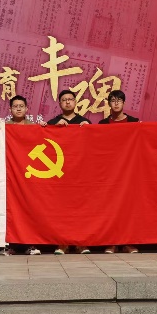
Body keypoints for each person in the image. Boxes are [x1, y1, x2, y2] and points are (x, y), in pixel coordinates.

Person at [0, 95, 41, 255]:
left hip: (30, 174)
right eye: (15, 106)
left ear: (27, 108)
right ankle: (10, 244)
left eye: (21, 106)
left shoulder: (33, 126)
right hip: (11, 176)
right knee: (11, 209)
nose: (18, 109)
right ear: (10, 109)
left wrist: (43, 129)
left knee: (30, 208)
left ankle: (30, 244)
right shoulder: (5, 126)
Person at [46, 90, 91, 255]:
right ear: (59, 103)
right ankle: (62, 243)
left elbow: (93, 146)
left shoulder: (84, 122)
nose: (67, 102)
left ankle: (81, 243)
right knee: (61, 210)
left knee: (81, 209)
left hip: (80, 174)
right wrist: (48, 128)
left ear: (75, 102)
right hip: (60, 175)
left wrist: (89, 130)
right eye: (64, 100)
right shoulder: (53, 122)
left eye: (70, 99)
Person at [98, 90, 140, 254]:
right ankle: (112, 242)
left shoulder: (134, 122)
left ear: (124, 103)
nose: (116, 103)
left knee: (128, 209)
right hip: (110, 174)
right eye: (113, 100)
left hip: (130, 173)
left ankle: (128, 242)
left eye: (119, 100)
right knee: (110, 208)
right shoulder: (102, 124)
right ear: (108, 103)